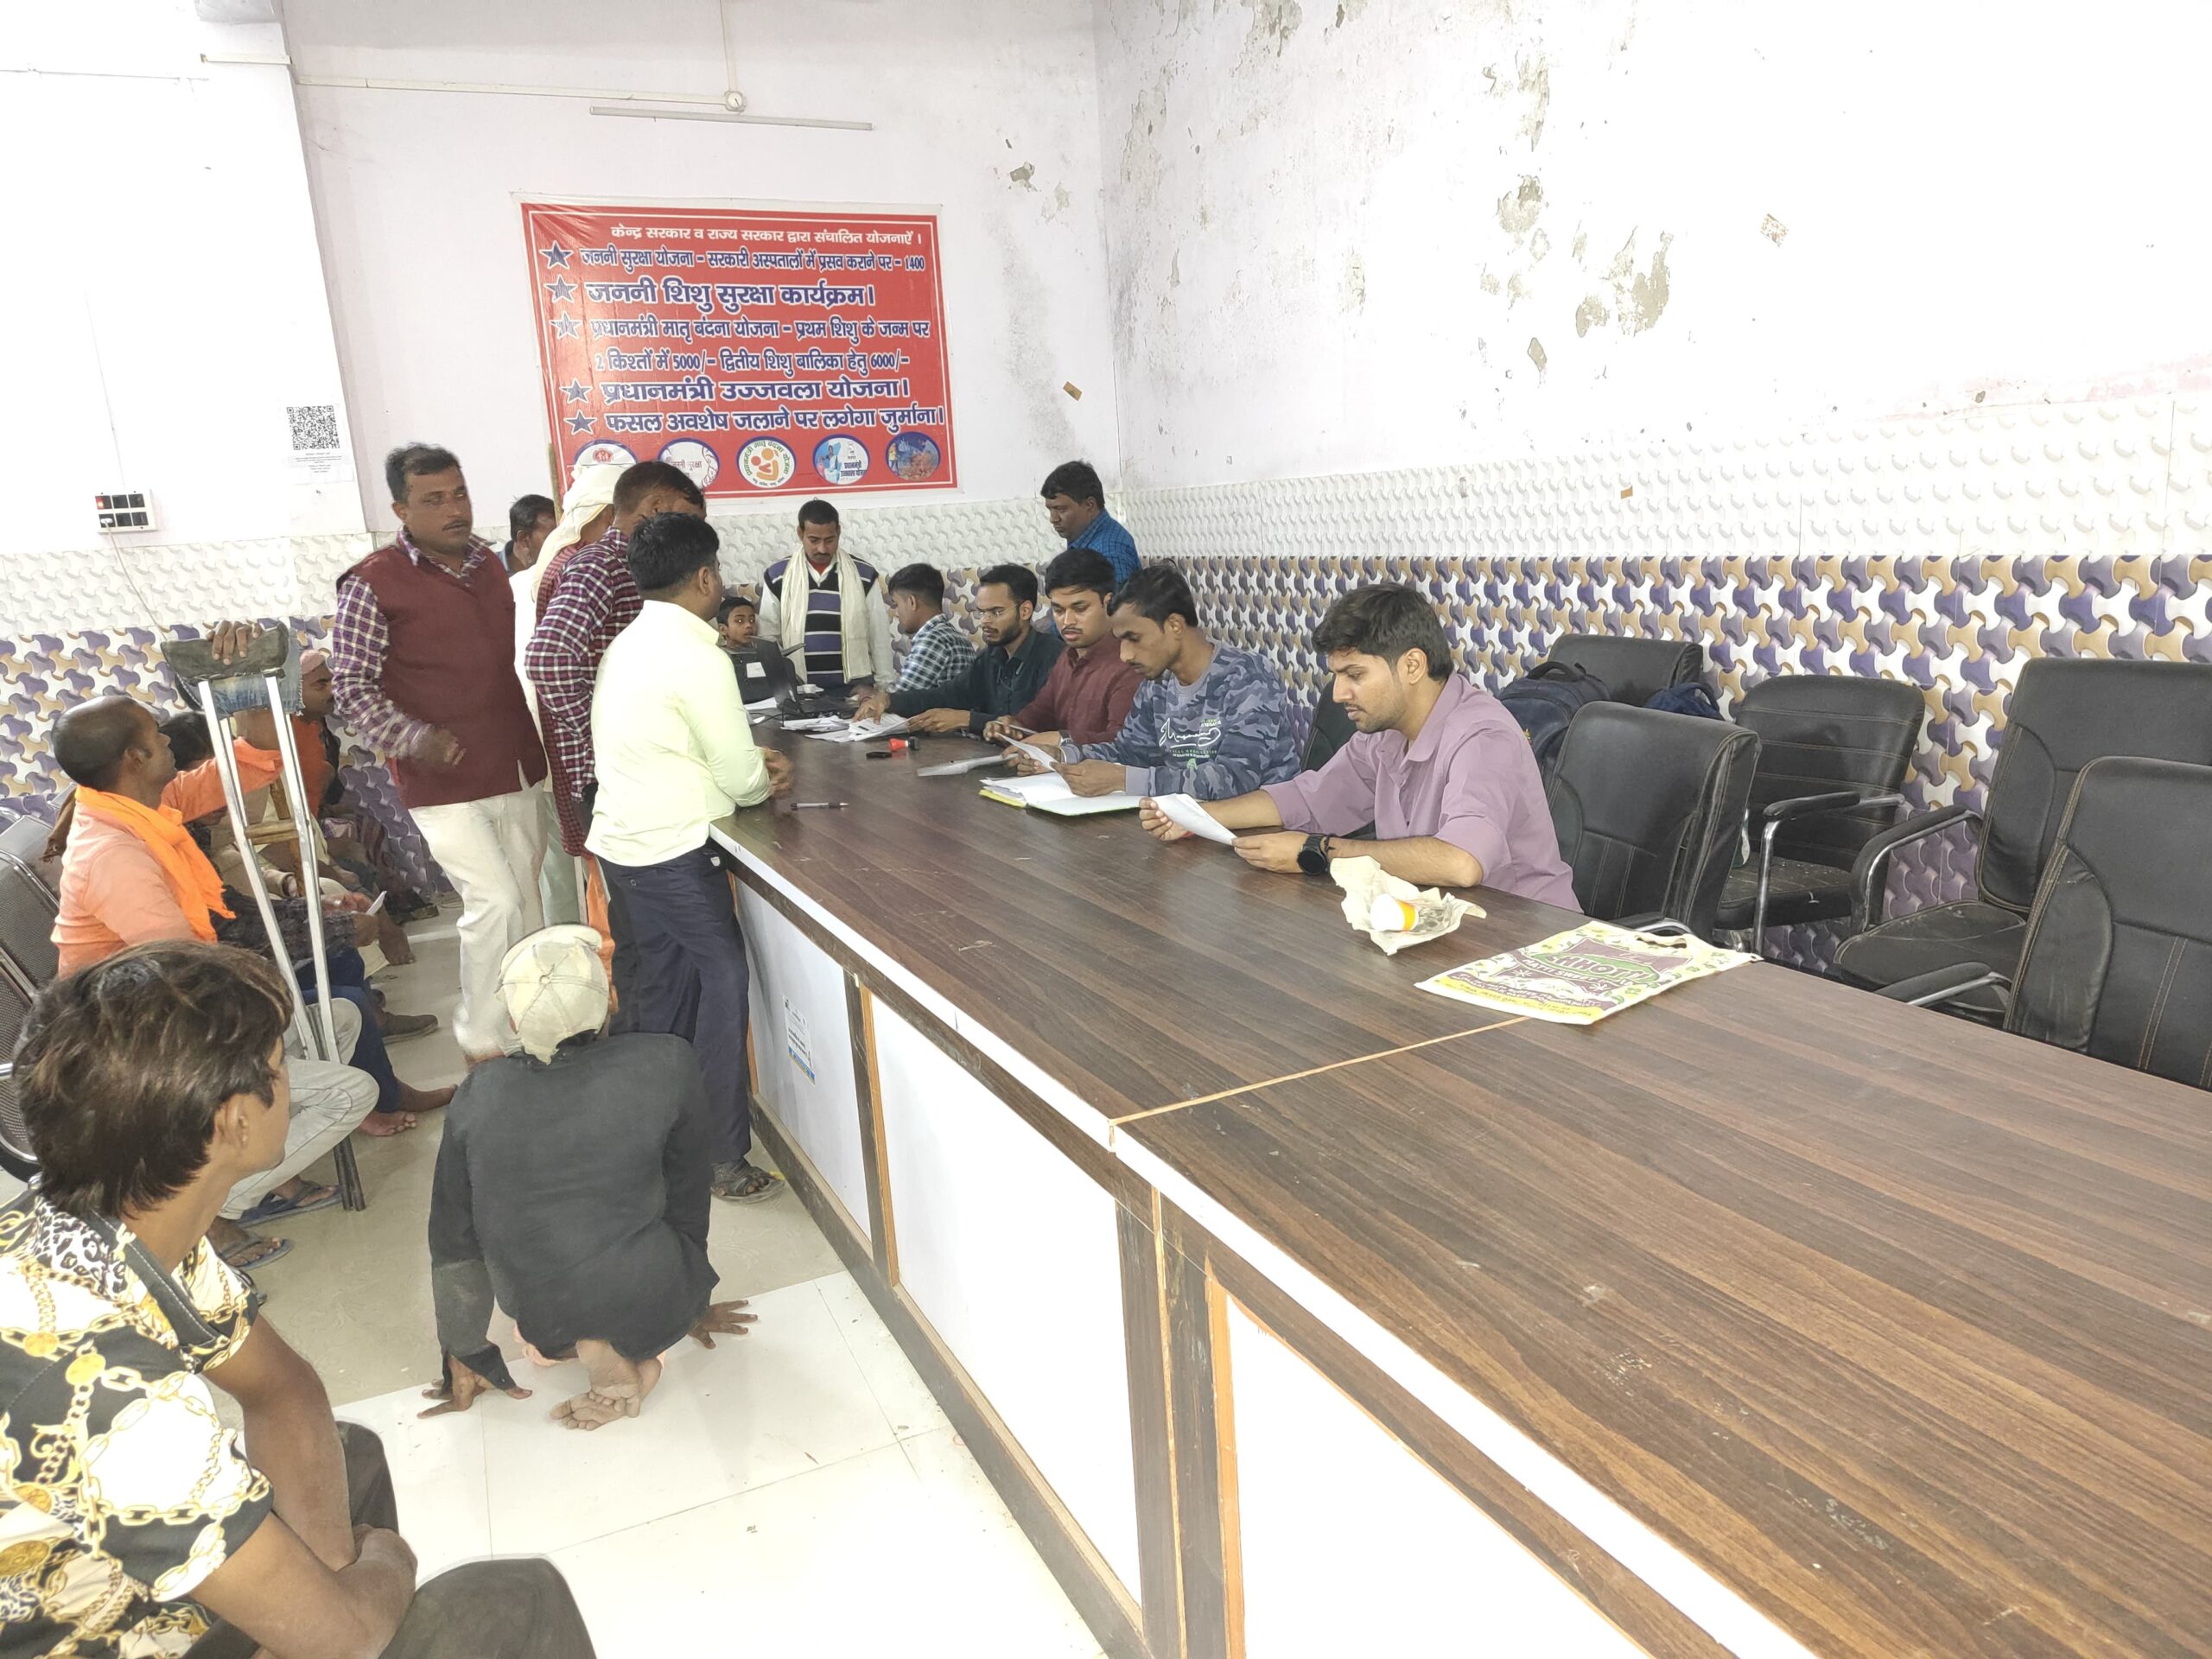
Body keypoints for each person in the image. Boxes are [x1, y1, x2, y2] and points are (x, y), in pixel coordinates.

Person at [2, 942, 595, 1659]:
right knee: (517, 1601)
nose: (290, 1081)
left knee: (345, 1457)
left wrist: (335, 1580)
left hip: (112, 1569)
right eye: (281, 1065)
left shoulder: (114, 1222)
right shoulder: (100, 1387)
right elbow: (345, 1637)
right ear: (233, 1122)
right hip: (88, 1635)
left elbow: (282, 1390)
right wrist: (382, 1570)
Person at [427, 926, 757, 1430]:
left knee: (541, 1318)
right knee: (631, 1247)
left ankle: (578, 1343)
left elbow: (454, 1240)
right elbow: (689, 1194)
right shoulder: (667, 1061)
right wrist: (691, 1300)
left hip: (544, 1315)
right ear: (610, 1002)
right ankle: (632, 1347)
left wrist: (465, 1349)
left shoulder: (479, 1092)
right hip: (649, 1292)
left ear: (513, 1020)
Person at [588, 513, 793, 1203]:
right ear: (706, 578)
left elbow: (663, 747)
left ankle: (648, 1141)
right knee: (721, 982)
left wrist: (739, 770)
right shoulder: (700, 656)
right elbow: (738, 778)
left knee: (661, 990)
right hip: (672, 848)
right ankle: (722, 1155)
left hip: (623, 843)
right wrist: (764, 779)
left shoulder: (626, 644)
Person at [1141, 585, 1584, 904]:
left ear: (1412, 666)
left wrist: (1319, 852)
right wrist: (1199, 816)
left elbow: (1461, 862)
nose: (1338, 694)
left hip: (1526, 939)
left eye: (1354, 675)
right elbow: (1309, 799)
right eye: (1337, 675)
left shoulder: (1483, 736)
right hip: (1436, 923)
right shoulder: (1386, 732)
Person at [333, 443, 549, 1063]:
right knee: (495, 901)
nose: (454, 509)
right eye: (434, 500)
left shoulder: (488, 565)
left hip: (513, 763)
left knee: (526, 903)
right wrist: (414, 738)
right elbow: (350, 686)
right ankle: (480, 1039)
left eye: (459, 494)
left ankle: (529, 1030)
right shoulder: (372, 582)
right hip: (439, 780)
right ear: (401, 510)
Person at [526, 461, 709, 1012]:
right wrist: (602, 737)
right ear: (654, 509)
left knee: (645, 932)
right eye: (685, 521)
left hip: (629, 778)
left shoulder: (630, 566)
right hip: (608, 781)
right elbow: (549, 658)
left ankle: (647, 1034)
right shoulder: (600, 565)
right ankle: (647, 1041)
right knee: (642, 932)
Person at [1030, 565, 1300, 800]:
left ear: (1174, 626)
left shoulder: (1247, 676)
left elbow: (1235, 778)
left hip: (1260, 829)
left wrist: (1124, 779)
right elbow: (1132, 752)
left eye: (1133, 638)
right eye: (1120, 640)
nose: (1124, 655)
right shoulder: (1157, 683)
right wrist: (1065, 756)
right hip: (1185, 821)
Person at [513, 464, 625, 928]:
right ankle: (579, 956)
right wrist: (591, 728)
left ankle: (583, 954)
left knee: (573, 874)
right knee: (582, 875)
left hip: (555, 742)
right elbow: (544, 663)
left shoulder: (548, 573)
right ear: (605, 516)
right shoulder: (584, 571)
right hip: (571, 747)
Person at [982, 546, 1141, 747]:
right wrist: (1013, 726)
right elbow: (1042, 712)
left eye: (1080, 609)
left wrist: (1062, 740)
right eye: (1058, 610)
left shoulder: (1131, 663)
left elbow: (1125, 744)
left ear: (1108, 603)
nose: (1067, 621)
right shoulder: (1068, 656)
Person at [873, 564, 1062, 734]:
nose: (985, 621)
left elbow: (1034, 725)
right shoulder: (992, 656)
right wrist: (889, 700)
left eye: (996, 612)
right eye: (982, 612)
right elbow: (946, 695)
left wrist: (967, 719)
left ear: (1025, 611)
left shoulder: (1054, 656)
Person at [755, 499, 897, 695]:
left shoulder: (863, 574)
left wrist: (884, 687)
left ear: (839, 532)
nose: (822, 549)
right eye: (814, 540)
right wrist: (782, 688)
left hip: (856, 692)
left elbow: (878, 634)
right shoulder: (777, 576)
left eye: (830, 540)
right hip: (800, 691)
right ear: (800, 533)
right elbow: (768, 638)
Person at [853, 563, 974, 715]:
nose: (896, 613)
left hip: (939, 728)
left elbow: (898, 701)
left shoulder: (933, 641)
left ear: (912, 602)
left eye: (896, 605)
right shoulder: (960, 639)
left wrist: (868, 695)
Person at [1041, 459, 1139, 585]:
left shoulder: (1109, 551)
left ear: (1090, 505)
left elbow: (1115, 598)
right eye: (1050, 510)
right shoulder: (1084, 539)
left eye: (1061, 509)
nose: (1053, 519)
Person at [503, 493, 556, 575]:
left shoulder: (563, 572)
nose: (559, 546)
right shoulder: (487, 572)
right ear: (523, 539)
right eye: (550, 540)